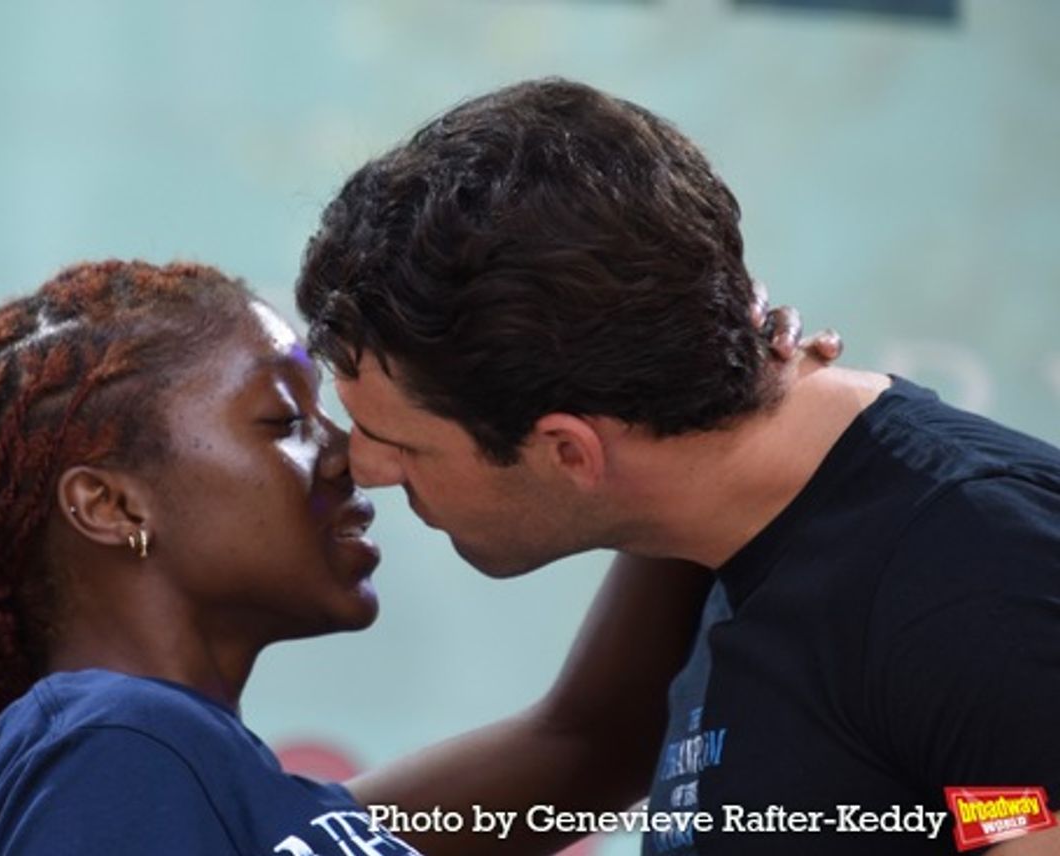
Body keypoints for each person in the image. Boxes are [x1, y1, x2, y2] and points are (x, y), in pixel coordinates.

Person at [296, 78, 1060, 855]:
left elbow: (1025, 822)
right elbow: (582, 744)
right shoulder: (717, 524)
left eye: (400, 442)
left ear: (568, 452)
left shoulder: (972, 584)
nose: (364, 466)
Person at [0, 259, 427, 854]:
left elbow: (541, 764)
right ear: (111, 506)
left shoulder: (209, 779)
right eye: (286, 422)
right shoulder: (113, 749)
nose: (351, 456)